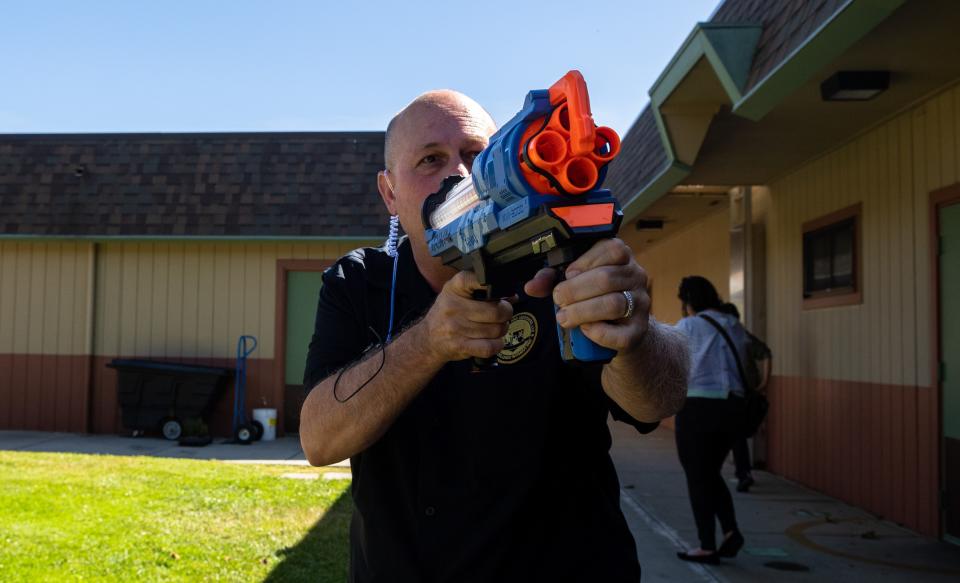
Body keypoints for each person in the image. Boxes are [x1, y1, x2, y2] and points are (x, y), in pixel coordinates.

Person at [299, 89, 690, 582]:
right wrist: (429, 342)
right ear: (390, 192)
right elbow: (319, 439)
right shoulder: (358, 283)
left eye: (474, 156)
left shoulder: (556, 256)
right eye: (430, 160)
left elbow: (658, 400)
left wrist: (635, 334)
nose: (458, 176)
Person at [671, 276, 748, 564]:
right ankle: (730, 531)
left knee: (697, 475)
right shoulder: (734, 325)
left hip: (698, 407)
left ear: (688, 300)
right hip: (734, 407)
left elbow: (674, 364)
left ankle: (706, 544)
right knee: (710, 473)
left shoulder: (688, 326)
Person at [716, 302, 772, 493]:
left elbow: (765, 353)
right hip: (741, 391)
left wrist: (764, 383)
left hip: (734, 393)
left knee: (730, 434)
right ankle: (743, 473)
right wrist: (764, 383)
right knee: (737, 435)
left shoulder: (735, 335)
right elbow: (766, 353)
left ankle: (740, 473)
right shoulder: (739, 335)